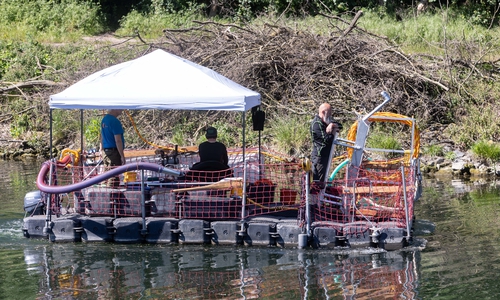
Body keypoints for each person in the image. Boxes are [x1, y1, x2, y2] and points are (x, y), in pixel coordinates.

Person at [310, 103, 342, 183]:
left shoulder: (327, 120)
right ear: (324, 112)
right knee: (318, 182)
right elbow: (327, 140)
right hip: (319, 157)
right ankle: (316, 195)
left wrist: (332, 125)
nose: (331, 115)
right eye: (330, 113)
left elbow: (340, 126)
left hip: (326, 156)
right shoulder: (316, 124)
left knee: (324, 180)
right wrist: (333, 132)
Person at [100, 109, 126, 188]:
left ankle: (104, 192)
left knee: (107, 173)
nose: (122, 110)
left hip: (106, 151)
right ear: (115, 109)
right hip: (114, 152)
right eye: (120, 108)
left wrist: (101, 150)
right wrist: (122, 155)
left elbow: (101, 137)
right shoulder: (115, 122)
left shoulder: (104, 120)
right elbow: (118, 140)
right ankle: (112, 195)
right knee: (114, 175)